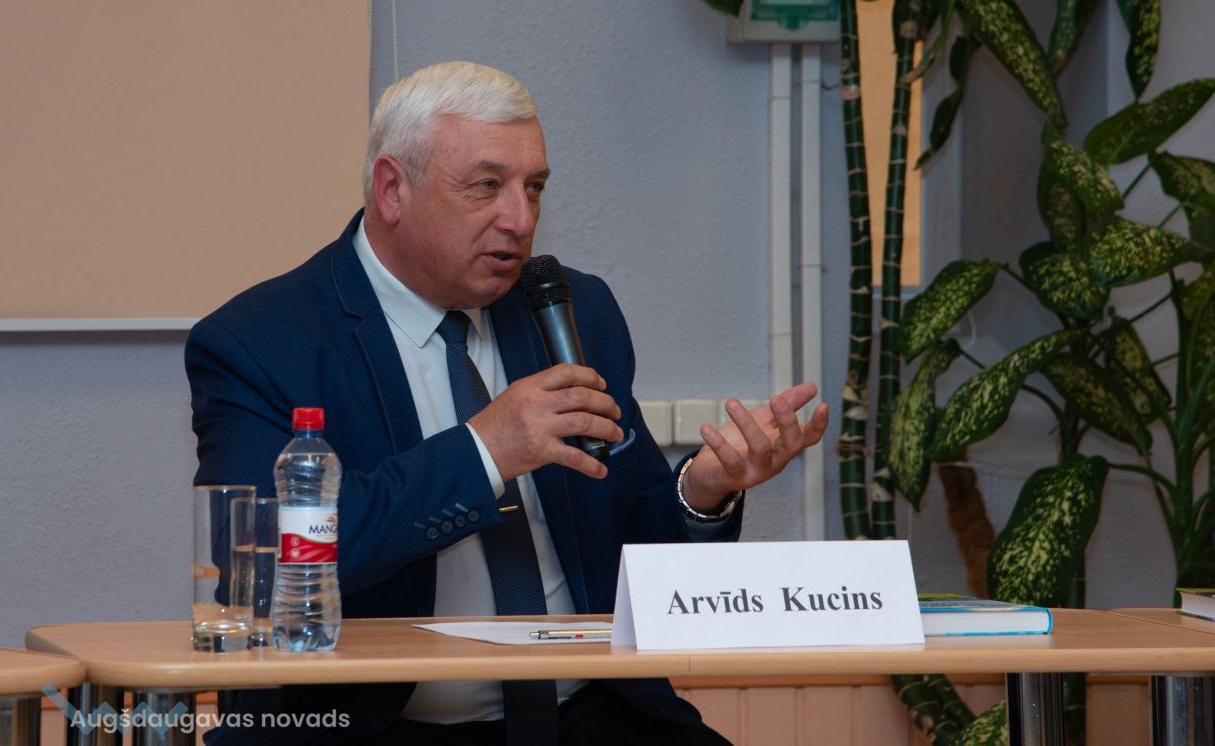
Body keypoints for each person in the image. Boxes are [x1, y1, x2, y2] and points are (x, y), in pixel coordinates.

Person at [186, 60, 828, 746]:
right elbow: (260, 572)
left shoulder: (575, 311)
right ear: (393, 189)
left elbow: (627, 549)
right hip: (371, 726)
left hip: (587, 713)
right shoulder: (262, 341)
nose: (521, 220)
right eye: (487, 186)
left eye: (535, 187)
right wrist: (483, 452)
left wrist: (703, 489)